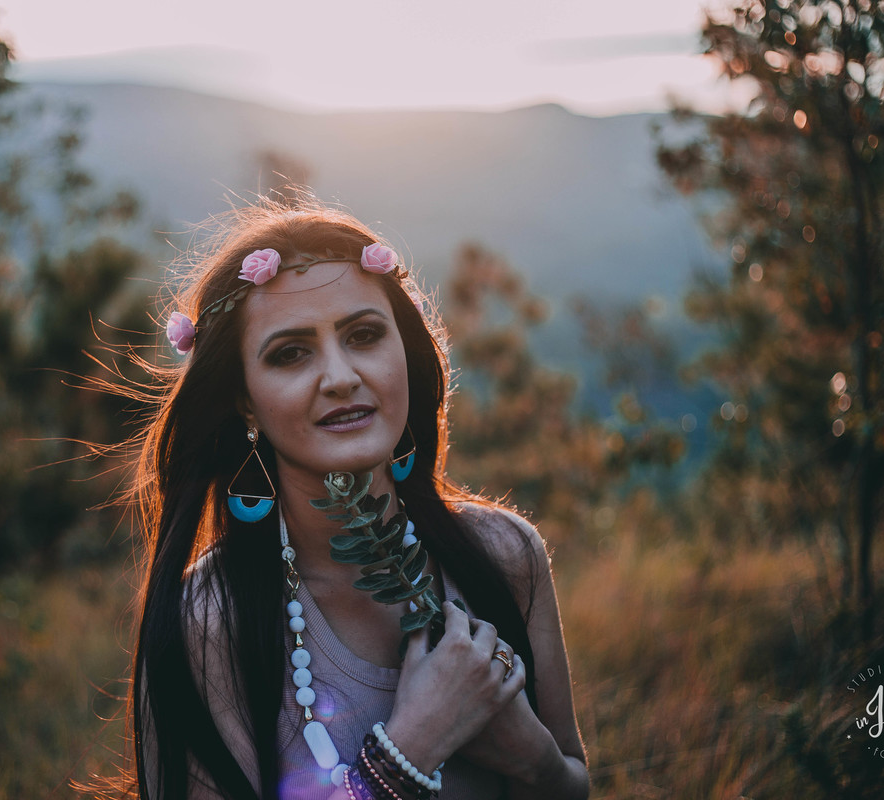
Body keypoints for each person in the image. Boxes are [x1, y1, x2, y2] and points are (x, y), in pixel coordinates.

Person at [129, 199, 589, 799]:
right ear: (245, 401)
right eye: (291, 353)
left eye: (364, 335)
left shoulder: (505, 556)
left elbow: (573, 785)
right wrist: (408, 750)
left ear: (405, 352)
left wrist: (532, 757)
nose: (341, 375)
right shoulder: (209, 621)